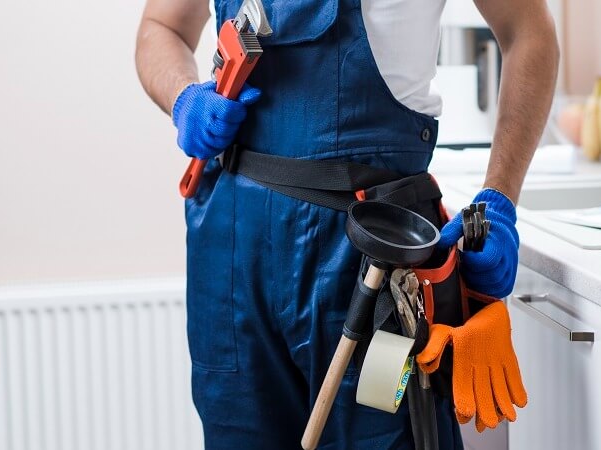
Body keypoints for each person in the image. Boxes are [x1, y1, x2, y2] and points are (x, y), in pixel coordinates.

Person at [135, 0, 558, 447]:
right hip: (231, 265)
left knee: (385, 428)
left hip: (376, 267)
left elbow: (529, 32)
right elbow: (161, 26)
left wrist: (499, 201)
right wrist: (183, 98)